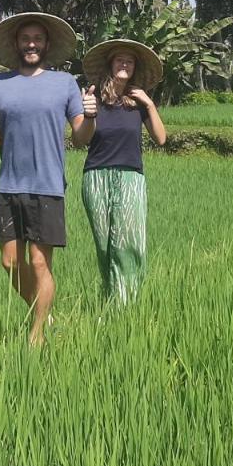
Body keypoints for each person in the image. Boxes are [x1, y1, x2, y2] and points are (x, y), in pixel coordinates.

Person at [0, 13, 97, 346]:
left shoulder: (65, 83)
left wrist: (91, 116)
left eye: (37, 38)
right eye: (26, 39)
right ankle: (44, 311)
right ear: (16, 44)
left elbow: (81, 136)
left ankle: (36, 335)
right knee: (9, 262)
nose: (31, 44)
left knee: (39, 262)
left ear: (47, 44)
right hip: (8, 185)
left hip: (48, 186)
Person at [77, 39, 167, 305]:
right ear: (110, 64)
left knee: (127, 243)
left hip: (130, 177)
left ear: (135, 67)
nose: (124, 63)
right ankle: (111, 299)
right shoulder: (93, 100)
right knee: (105, 245)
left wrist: (150, 104)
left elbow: (161, 138)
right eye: (119, 59)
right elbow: (79, 140)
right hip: (96, 176)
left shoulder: (138, 102)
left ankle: (128, 304)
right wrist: (89, 115)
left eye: (130, 60)